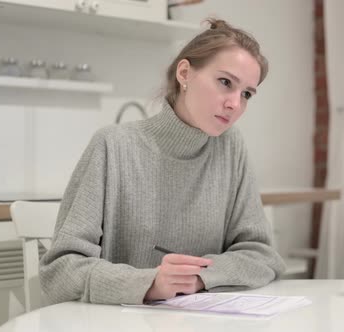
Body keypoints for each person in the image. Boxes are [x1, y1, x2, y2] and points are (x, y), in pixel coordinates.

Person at [40, 18, 286, 305]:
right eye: (225, 82)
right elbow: (59, 271)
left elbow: (262, 255)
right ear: (185, 73)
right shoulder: (113, 145)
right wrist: (149, 284)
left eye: (246, 94)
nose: (235, 103)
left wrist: (198, 276)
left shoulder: (230, 146)